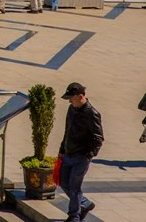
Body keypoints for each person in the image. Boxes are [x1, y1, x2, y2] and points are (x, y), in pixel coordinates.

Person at [57, 82, 104, 222]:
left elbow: (98, 138)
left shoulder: (92, 113)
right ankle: (84, 204)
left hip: (81, 157)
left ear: (81, 96)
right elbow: (67, 131)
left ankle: (74, 216)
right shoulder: (71, 109)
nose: (69, 101)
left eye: (71, 98)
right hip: (68, 153)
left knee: (74, 186)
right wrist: (61, 150)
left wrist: (89, 155)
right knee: (63, 182)